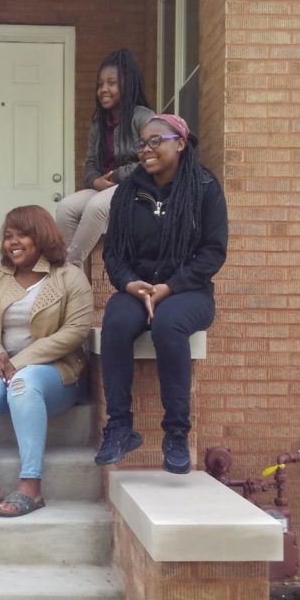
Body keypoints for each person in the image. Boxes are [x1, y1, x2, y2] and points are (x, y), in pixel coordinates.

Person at [93, 114, 228, 474]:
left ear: (180, 143)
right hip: (139, 287)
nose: (146, 149)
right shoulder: (128, 192)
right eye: (141, 143)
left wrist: (171, 286)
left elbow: (213, 251)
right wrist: (129, 284)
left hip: (189, 290)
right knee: (116, 321)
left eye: (156, 141)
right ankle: (120, 426)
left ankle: (176, 433)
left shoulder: (204, 187)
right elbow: (114, 253)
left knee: (169, 325)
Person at [0, 206, 93, 518]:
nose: (13, 242)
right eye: (8, 236)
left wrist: (20, 361)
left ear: (42, 237)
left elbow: (76, 331)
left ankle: (31, 487)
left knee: (23, 382)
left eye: (22, 235)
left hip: (54, 374)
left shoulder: (69, 276)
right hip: (1, 365)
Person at [55, 48, 154, 267]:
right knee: (65, 207)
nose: (103, 89)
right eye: (100, 84)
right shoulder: (98, 125)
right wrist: (94, 180)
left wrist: (118, 176)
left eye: (111, 83)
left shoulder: (144, 118)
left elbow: (152, 160)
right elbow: (90, 163)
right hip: (106, 187)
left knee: (96, 207)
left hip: (138, 187)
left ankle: (66, 269)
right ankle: (76, 289)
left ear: (126, 85)